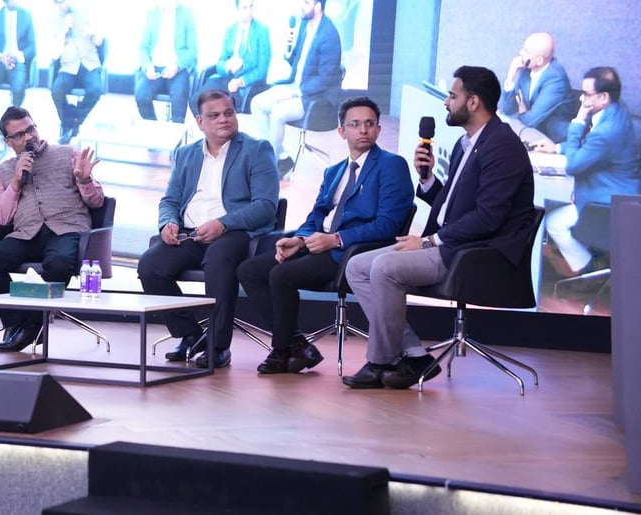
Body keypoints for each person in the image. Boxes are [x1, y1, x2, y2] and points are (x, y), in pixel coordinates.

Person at [343, 66, 535, 390]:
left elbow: (488, 218)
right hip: (453, 243)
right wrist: (428, 179)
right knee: (357, 267)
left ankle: (380, 361)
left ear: (473, 102)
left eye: (452, 95)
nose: (446, 102)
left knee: (385, 267)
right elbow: (452, 208)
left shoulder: (502, 146)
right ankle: (415, 354)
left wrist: (428, 241)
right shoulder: (466, 143)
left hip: (475, 253)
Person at [237, 97, 413, 375]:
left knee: (281, 275)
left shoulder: (392, 165)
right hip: (319, 243)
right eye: (355, 124)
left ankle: (282, 350)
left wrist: (337, 239)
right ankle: (297, 343)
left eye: (369, 124)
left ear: (378, 130)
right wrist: (300, 240)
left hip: (351, 251)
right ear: (342, 131)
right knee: (249, 270)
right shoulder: (334, 171)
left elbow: (388, 225)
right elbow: (316, 216)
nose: (363, 130)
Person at [138, 88, 279, 369]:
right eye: (214, 116)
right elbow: (170, 200)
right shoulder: (186, 154)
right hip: (191, 233)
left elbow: (266, 205)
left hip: (234, 232)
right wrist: (168, 222)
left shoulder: (257, 149)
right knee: (150, 265)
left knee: (218, 258)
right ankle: (190, 334)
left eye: (228, 113)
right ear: (200, 122)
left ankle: (217, 345)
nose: (224, 119)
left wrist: (223, 224)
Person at [0, 106, 104, 352]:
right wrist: (15, 182)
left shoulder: (68, 154)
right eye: (19, 135)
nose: (28, 137)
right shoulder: (3, 171)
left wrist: (85, 180)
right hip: (26, 234)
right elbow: (2, 218)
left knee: (59, 263)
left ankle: (30, 328)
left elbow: (97, 202)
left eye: (30, 129)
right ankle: (18, 324)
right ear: (8, 141)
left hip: (66, 229)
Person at [534, 67, 641, 277]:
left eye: (586, 94)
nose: (581, 99)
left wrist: (578, 121)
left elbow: (574, 165)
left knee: (553, 222)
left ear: (603, 97)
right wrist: (558, 148)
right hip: (617, 191)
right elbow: (591, 149)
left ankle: (586, 268)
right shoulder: (616, 110)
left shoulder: (607, 131)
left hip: (606, 203)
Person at [249, 0, 344, 177]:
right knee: (256, 104)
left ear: (318, 6)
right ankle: (281, 157)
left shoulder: (329, 35)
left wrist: (294, 93)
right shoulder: (304, 25)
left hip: (313, 97)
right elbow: (296, 61)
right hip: (295, 85)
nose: (302, 6)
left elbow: (324, 79)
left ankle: (269, 167)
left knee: (277, 113)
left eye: (306, 2)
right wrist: (288, 49)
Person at [196, 0, 270, 113]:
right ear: (237, 10)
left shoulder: (262, 31)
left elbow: (262, 70)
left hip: (244, 85)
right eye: (244, 8)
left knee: (218, 107)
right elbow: (220, 63)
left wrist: (241, 81)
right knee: (198, 100)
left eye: (251, 6)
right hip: (226, 79)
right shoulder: (230, 30)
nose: (249, 11)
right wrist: (227, 66)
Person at [135, 0, 197, 123]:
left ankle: (176, 134)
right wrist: (148, 65)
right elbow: (142, 47)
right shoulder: (152, 15)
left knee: (179, 96)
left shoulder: (186, 15)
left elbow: (193, 51)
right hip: (155, 69)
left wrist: (177, 66)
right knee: (141, 95)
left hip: (178, 69)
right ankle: (155, 129)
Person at [49, 0, 104, 144]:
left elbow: (100, 41)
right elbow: (54, 55)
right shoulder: (54, 21)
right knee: (56, 90)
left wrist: (93, 34)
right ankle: (68, 123)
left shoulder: (84, 13)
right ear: (56, 4)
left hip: (89, 63)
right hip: (69, 66)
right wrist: (64, 32)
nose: (66, 3)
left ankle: (74, 121)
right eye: (61, 1)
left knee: (95, 90)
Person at [500, 32, 577, 144]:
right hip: (533, 129)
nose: (521, 53)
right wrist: (511, 76)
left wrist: (522, 114)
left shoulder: (556, 79)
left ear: (539, 60)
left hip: (553, 135)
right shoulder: (526, 70)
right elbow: (507, 110)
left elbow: (531, 120)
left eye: (526, 51)